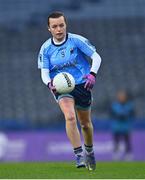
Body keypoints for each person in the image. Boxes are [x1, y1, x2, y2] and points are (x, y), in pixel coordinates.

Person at [38, 11, 101, 170]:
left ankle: (89, 150)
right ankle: (79, 154)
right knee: (70, 117)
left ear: (65, 25)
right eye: (54, 26)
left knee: (85, 124)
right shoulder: (45, 49)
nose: (58, 29)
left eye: (61, 25)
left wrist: (92, 75)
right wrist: (49, 84)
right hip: (60, 86)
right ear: (49, 29)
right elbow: (44, 73)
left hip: (82, 84)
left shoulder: (76, 40)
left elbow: (97, 57)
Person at [110, 90, 135, 161]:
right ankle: (116, 154)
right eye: (120, 96)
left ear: (125, 97)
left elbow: (132, 115)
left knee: (127, 141)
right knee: (116, 141)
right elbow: (113, 115)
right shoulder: (114, 105)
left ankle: (128, 154)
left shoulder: (129, 105)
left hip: (126, 126)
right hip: (117, 126)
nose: (121, 98)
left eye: (123, 96)